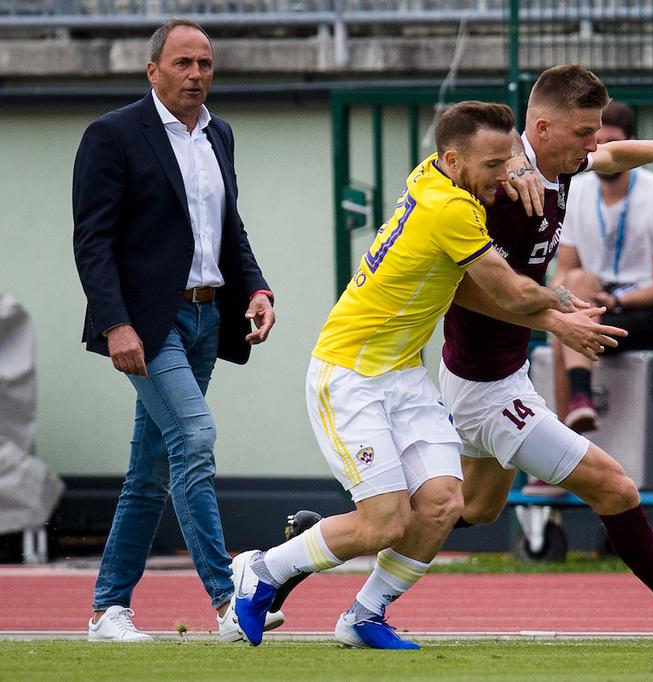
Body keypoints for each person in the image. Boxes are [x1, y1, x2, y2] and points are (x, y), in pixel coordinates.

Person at [276, 65, 653, 650]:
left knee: (471, 507)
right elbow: (469, 288)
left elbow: (614, 156)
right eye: (584, 132)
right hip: (487, 385)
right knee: (615, 488)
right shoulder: (498, 186)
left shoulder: (555, 163)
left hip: (491, 372)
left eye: (597, 129)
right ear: (544, 128)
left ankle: (321, 538)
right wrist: (556, 320)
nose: (594, 143)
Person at [230, 100, 619, 647]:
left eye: (509, 162)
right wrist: (562, 312)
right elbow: (508, 290)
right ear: (455, 161)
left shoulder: (436, 169)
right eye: (494, 166)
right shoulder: (450, 209)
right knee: (383, 522)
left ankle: (364, 616)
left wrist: (525, 163)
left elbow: (522, 151)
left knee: (444, 503)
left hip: (403, 374)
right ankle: (260, 569)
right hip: (349, 373)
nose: (505, 175)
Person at [72, 19, 278, 642]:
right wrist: (115, 324)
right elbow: (92, 242)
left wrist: (259, 287)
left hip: (206, 318)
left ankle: (109, 609)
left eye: (206, 64)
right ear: (152, 70)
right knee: (195, 436)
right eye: (184, 63)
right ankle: (228, 599)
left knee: (151, 470)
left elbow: (228, 227)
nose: (196, 75)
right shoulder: (112, 135)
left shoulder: (221, 135)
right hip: (147, 325)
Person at [552, 100, 653, 434]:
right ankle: (578, 408)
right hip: (597, 304)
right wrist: (559, 304)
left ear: (629, 143)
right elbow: (565, 271)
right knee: (572, 294)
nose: (600, 149)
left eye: (611, 141)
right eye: (594, 140)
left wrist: (612, 303)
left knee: (568, 330)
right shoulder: (577, 192)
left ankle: (564, 441)